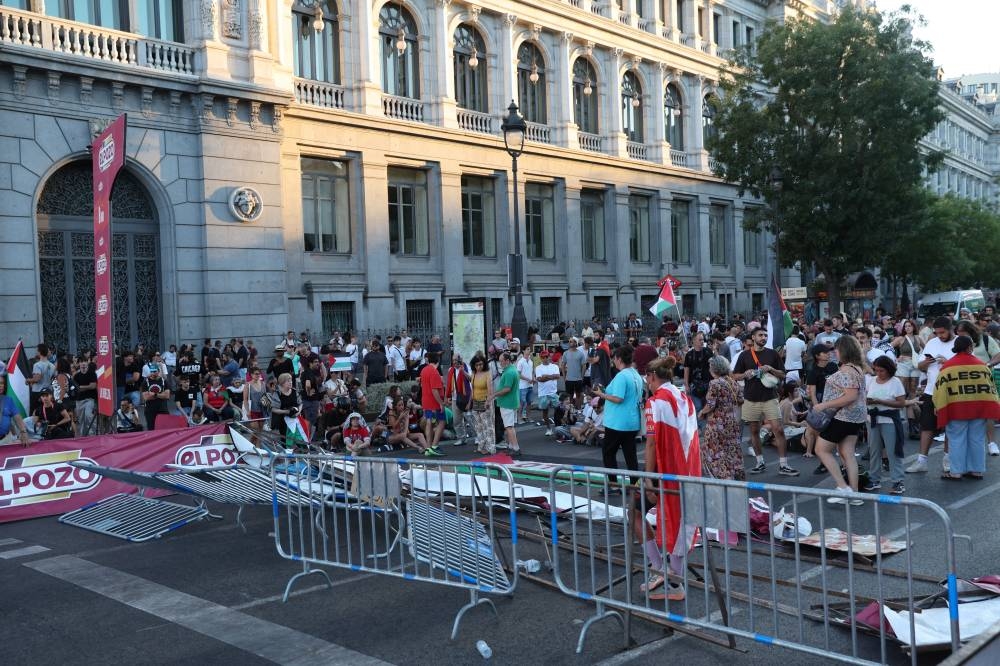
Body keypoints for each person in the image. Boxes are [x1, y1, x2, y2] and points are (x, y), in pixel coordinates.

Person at [633, 356, 701, 602]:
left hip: (667, 471)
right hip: (690, 470)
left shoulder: (656, 401)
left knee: (637, 513)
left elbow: (651, 443)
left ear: (652, 378)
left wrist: (648, 478)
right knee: (681, 521)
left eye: (647, 380)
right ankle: (671, 576)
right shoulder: (686, 399)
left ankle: (663, 571)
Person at [733, 328, 799, 476]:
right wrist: (745, 374)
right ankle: (760, 462)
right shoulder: (744, 355)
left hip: (770, 397)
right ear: (753, 337)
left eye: (765, 335)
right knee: (754, 431)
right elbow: (734, 376)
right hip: (751, 398)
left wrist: (771, 369)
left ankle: (783, 465)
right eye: (760, 335)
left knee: (779, 430)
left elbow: (783, 375)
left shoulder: (772, 354)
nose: (763, 337)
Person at [933, 335, 1000, 480]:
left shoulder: (947, 367)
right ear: (970, 347)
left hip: (956, 407)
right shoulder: (982, 366)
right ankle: (976, 470)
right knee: (977, 438)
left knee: (956, 438)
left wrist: (938, 406)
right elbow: (990, 388)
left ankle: (956, 472)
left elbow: (940, 390)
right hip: (978, 407)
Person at [812, 336, 868, 505]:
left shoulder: (847, 371)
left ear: (844, 350)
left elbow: (850, 396)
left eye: (836, 349)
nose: (834, 353)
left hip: (844, 416)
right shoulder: (857, 368)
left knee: (821, 450)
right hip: (855, 417)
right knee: (848, 454)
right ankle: (855, 495)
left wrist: (824, 405)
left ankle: (843, 488)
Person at [908, 317, 956, 474]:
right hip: (931, 391)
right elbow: (920, 366)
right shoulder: (931, 342)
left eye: (943, 332)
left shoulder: (960, 342)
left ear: (951, 328)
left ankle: (948, 460)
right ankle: (922, 461)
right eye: (937, 333)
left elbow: (965, 365)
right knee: (927, 426)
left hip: (952, 392)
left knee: (950, 427)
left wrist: (947, 362)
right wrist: (925, 363)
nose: (940, 335)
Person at [593, 345, 643, 486]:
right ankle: (635, 483)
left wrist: (601, 394)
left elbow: (618, 398)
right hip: (632, 421)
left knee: (608, 453)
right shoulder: (635, 374)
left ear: (619, 359)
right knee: (630, 455)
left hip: (617, 422)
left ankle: (613, 484)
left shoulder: (621, 376)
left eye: (614, 358)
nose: (613, 361)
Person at [864, 355, 909, 495]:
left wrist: (881, 401)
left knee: (893, 451)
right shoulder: (871, 381)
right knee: (874, 451)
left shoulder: (895, 382)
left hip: (889, 420)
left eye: (881, 370)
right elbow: (866, 397)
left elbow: (901, 403)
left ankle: (897, 481)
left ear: (889, 370)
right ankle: (874, 478)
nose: (878, 373)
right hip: (873, 419)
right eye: (876, 370)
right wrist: (869, 401)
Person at [697, 355, 745, 481]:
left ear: (715, 369)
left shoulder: (715, 383)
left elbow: (711, 404)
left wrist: (702, 412)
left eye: (710, 367)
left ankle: (722, 480)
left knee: (714, 453)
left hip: (717, 425)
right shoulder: (732, 382)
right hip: (732, 423)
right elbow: (740, 400)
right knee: (731, 452)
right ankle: (735, 479)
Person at [493, 352, 522, 457]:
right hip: (512, 402)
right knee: (511, 426)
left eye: (502, 361)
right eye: (500, 361)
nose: (500, 363)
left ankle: (515, 448)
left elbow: (507, 389)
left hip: (507, 403)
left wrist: (493, 395)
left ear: (507, 360)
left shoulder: (509, 372)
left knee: (509, 427)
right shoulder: (512, 370)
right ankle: (512, 446)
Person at [468, 356, 496, 455]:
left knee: (488, 426)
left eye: (481, 364)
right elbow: (473, 390)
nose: (479, 366)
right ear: (473, 365)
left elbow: (490, 389)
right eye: (477, 365)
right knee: (478, 426)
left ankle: (491, 448)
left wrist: (488, 402)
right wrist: (469, 402)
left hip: (485, 401)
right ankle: (481, 446)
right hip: (476, 401)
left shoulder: (487, 374)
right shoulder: (474, 374)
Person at [419, 352, 446, 456]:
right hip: (434, 402)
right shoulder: (434, 372)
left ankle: (428, 448)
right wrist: (441, 403)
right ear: (438, 361)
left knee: (429, 422)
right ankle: (434, 446)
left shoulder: (424, 370)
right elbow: (435, 390)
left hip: (425, 400)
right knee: (442, 422)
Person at [891, 319, 923, 400]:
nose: (907, 328)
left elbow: (927, 349)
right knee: (902, 388)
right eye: (905, 326)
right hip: (903, 364)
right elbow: (888, 348)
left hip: (915, 364)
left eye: (909, 326)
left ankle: (911, 406)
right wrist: (896, 358)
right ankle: (901, 407)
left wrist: (921, 358)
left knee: (913, 388)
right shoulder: (901, 338)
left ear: (913, 327)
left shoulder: (918, 338)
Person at [445, 354, 472, 446]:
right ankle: (461, 438)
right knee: (456, 420)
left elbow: (471, 379)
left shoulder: (467, 367)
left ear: (461, 360)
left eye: (456, 360)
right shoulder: (450, 370)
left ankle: (479, 437)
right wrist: (448, 397)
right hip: (454, 398)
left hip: (466, 397)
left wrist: (463, 371)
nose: (455, 362)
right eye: (453, 360)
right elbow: (449, 385)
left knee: (471, 419)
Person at [683, 333, 712, 413]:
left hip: (707, 384)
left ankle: (706, 424)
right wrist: (686, 385)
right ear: (694, 341)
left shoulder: (708, 351)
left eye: (703, 339)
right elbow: (686, 370)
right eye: (700, 340)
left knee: (707, 406)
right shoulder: (689, 355)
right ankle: (699, 425)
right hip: (694, 385)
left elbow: (714, 366)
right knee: (698, 407)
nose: (702, 341)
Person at [0, 374, 32, 446]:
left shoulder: (8, 400)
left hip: (5, 440)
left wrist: (23, 432)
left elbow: (17, 418)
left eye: (2, 383)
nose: (1, 385)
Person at [534, 350, 561, 435]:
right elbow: (540, 379)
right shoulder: (538, 368)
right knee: (545, 412)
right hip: (543, 393)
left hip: (553, 392)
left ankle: (558, 427)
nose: (545, 358)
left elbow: (557, 376)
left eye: (546, 356)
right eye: (543, 357)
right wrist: (551, 377)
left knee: (558, 410)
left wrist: (546, 376)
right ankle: (549, 428)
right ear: (541, 358)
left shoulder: (554, 366)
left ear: (549, 357)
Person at [141, 363, 171, 430]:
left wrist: (154, 394)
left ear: (158, 371)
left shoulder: (164, 381)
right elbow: (146, 397)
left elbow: (167, 396)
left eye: (154, 371)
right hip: (150, 410)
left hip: (162, 409)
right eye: (151, 371)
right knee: (151, 428)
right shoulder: (145, 382)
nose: (152, 373)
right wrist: (161, 395)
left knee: (164, 428)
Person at [560, 338, 587, 408]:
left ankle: (578, 409)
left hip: (578, 379)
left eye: (572, 341)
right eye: (569, 342)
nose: (570, 343)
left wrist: (582, 376)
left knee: (579, 395)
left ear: (576, 343)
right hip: (569, 379)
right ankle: (570, 410)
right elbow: (562, 365)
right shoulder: (565, 353)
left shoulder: (580, 353)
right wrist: (564, 377)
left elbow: (584, 366)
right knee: (569, 396)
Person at [515, 346, 535, 424]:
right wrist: (528, 380)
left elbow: (533, 371)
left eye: (529, 349)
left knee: (529, 402)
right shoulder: (520, 361)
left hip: (530, 385)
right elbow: (518, 374)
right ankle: (519, 418)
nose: (529, 351)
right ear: (523, 351)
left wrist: (532, 379)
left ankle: (528, 417)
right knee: (522, 402)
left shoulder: (531, 361)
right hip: (522, 385)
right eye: (528, 349)